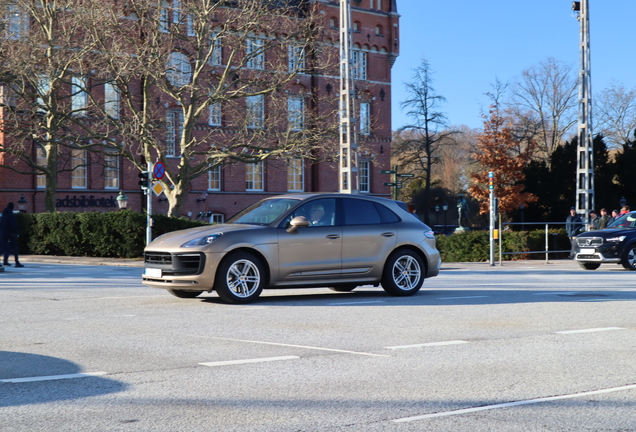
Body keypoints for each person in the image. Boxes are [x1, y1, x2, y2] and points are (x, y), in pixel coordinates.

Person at [1, 202, 23, 267]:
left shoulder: (3, 215)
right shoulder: (12, 215)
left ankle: (5, 261)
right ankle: (17, 262)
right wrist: (15, 232)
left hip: (3, 233)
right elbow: (13, 225)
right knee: (14, 248)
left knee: (3, 248)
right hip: (11, 233)